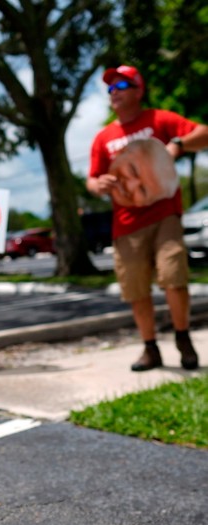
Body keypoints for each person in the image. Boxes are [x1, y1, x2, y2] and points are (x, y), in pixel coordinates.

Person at [86, 64, 208, 371]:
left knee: (173, 277)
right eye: (110, 88)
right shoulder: (104, 138)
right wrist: (98, 185)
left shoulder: (159, 119)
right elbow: (92, 179)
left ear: (138, 90)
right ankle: (150, 348)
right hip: (126, 223)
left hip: (164, 212)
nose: (114, 92)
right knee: (136, 288)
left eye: (121, 86)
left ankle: (183, 339)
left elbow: (203, 134)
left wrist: (178, 145)